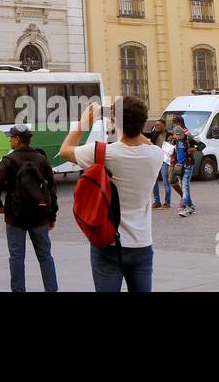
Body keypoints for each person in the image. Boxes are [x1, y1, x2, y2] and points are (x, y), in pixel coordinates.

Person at [60, 98, 164, 292]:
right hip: (141, 244)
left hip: (107, 243)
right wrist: (124, 120)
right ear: (143, 123)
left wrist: (84, 123)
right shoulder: (155, 155)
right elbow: (146, 141)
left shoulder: (102, 152)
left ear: (115, 121)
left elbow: (65, 150)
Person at [0, 125, 59, 292]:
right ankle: (52, 289)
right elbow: (52, 190)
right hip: (39, 216)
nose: (9, 139)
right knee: (45, 256)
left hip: (15, 216)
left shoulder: (9, 161)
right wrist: (52, 216)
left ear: (17, 139)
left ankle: (18, 290)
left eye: (11, 137)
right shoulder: (41, 159)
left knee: (16, 258)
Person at [172, 125, 200, 217]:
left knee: (185, 187)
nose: (178, 136)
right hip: (179, 166)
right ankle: (191, 206)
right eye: (176, 134)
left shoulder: (189, 138)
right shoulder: (176, 140)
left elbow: (202, 145)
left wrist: (194, 149)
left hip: (188, 165)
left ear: (183, 132)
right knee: (184, 187)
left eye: (180, 134)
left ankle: (184, 208)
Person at [146, 120, 172, 209]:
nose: (156, 126)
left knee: (166, 181)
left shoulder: (170, 135)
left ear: (164, 125)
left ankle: (167, 202)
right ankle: (157, 202)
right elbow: (145, 135)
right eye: (155, 125)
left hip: (165, 160)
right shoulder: (154, 134)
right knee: (154, 181)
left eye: (158, 124)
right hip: (155, 159)